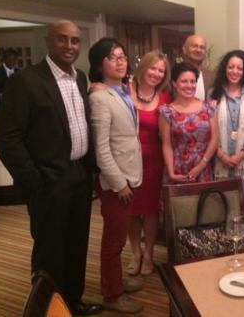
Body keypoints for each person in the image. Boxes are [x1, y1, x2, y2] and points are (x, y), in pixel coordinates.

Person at [0, 20, 102, 315]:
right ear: (48, 41)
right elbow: (6, 138)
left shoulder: (80, 78)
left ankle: (72, 304)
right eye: (62, 39)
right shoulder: (27, 80)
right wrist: (34, 181)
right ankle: (47, 311)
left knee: (76, 246)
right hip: (48, 182)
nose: (69, 46)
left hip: (80, 175)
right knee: (50, 253)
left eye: (75, 41)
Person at [88, 38, 144, 314]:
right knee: (113, 241)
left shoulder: (121, 90)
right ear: (100, 66)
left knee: (118, 237)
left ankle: (115, 279)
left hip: (130, 175)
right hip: (115, 183)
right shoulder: (99, 97)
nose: (120, 61)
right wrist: (119, 184)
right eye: (112, 57)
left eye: (123, 56)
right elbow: (101, 149)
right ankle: (112, 294)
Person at [126, 50, 171, 277]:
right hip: (128, 162)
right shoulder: (124, 91)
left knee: (151, 211)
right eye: (153, 68)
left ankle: (150, 254)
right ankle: (135, 253)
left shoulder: (164, 97)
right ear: (143, 67)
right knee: (132, 211)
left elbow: (167, 133)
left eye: (161, 71)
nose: (156, 73)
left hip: (154, 161)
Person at [209, 50, 244, 221]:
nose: (235, 71)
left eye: (239, 68)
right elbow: (207, 130)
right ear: (225, 69)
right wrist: (221, 155)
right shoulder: (212, 95)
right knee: (220, 207)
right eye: (231, 67)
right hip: (218, 161)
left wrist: (240, 154)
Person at [160, 62, 218, 183]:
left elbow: (215, 138)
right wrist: (171, 172)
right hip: (177, 170)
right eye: (184, 81)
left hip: (203, 168)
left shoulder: (209, 106)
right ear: (174, 84)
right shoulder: (166, 111)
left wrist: (202, 165)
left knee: (204, 202)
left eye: (192, 81)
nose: (189, 85)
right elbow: (167, 144)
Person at [181, 34, 215, 100]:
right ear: (184, 49)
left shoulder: (212, 77)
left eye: (202, 47)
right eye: (194, 46)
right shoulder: (172, 75)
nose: (198, 50)